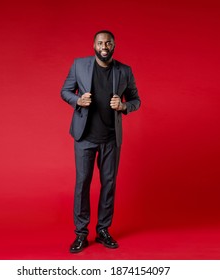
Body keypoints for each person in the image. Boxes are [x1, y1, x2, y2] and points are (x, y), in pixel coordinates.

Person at [61, 30, 141, 253]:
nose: (104, 46)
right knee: (82, 184)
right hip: (85, 137)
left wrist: (124, 106)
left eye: (108, 42)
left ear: (114, 45)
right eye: (100, 42)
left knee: (109, 185)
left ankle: (103, 230)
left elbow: (136, 99)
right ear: (93, 45)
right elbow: (64, 91)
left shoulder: (124, 71)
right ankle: (81, 233)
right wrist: (78, 100)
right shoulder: (79, 65)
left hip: (110, 138)